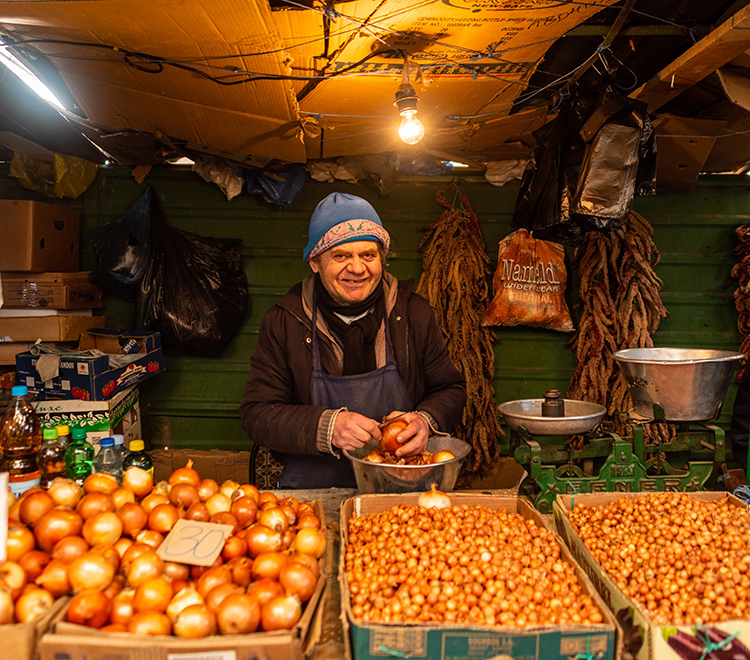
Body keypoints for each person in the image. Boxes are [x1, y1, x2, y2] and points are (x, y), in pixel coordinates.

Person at [239, 192, 467, 489]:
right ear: (315, 262)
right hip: (314, 490)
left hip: (402, 485)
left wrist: (425, 420)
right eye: (341, 255)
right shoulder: (284, 321)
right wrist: (327, 427)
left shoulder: (413, 313)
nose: (358, 268)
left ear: (381, 258)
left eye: (368, 255)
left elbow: (450, 388)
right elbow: (257, 413)